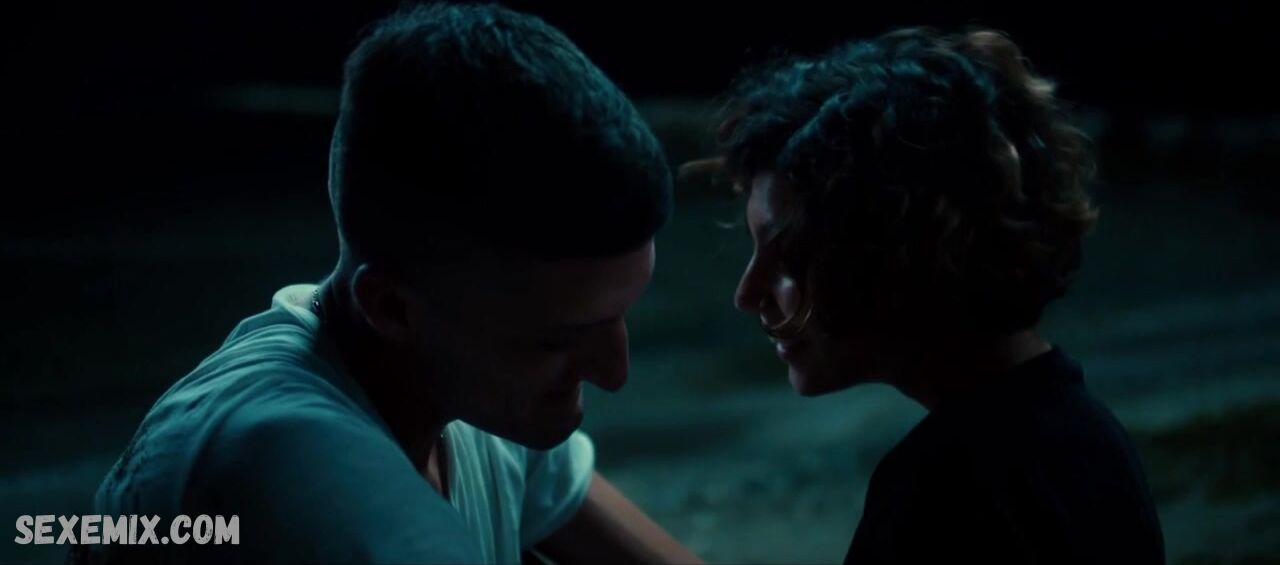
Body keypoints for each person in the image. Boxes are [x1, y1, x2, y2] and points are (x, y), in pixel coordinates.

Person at [82, 4, 700, 564]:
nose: (615, 372)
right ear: (391, 308)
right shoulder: (303, 471)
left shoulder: (469, 381)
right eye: (557, 340)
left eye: (619, 315)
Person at [693, 27, 1165, 564]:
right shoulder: (1087, 438)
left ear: (892, 251)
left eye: (788, 256)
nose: (747, 293)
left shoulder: (945, 490)